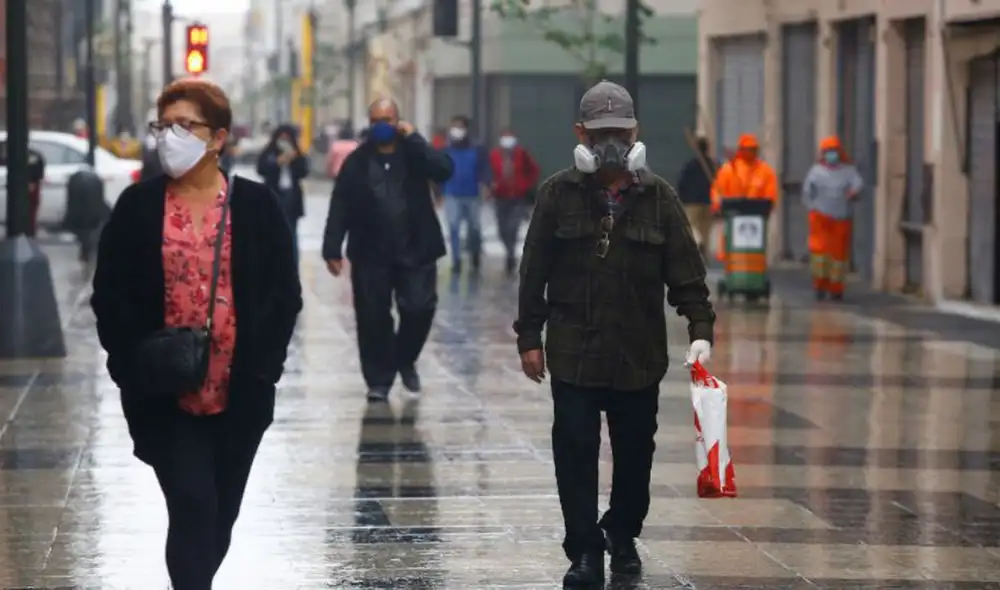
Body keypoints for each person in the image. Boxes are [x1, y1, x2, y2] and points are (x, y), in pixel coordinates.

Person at [90, 78, 302, 590]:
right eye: (162, 126)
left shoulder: (255, 205)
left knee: (220, 514)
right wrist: (127, 366)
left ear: (218, 138)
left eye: (185, 125)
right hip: (164, 391)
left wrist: (264, 366)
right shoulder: (138, 206)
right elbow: (109, 292)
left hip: (240, 388)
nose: (169, 136)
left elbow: (284, 292)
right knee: (191, 501)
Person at [514, 80, 715, 588]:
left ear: (635, 133)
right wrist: (529, 337)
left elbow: (686, 273)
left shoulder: (659, 198)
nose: (610, 143)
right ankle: (584, 551)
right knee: (575, 452)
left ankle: (621, 534)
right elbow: (532, 271)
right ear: (581, 133)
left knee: (635, 456)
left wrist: (700, 327)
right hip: (574, 352)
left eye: (619, 132)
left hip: (637, 354)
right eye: (600, 132)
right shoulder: (557, 194)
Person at [322, 99, 453, 402]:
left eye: (388, 118)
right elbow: (340, 203)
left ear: (399, 121)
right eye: (376, 119)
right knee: (372, 317)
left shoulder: (414, 153)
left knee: (419, 308)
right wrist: (332, 247)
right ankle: (379, 380)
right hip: (370, 254)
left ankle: (405, 358)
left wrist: (416, 138)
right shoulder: (356, 162)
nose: (382, 124)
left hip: (416, 249)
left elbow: (444, 170)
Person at [803, 135, 863, 301]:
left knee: (838, 256)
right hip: (820, 218)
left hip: (841, 218)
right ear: (823, 154)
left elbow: (858, 184)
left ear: (840, 152)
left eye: (834, 152)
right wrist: (811, 208)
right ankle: (820, 285)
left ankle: (836, 288)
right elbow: (807, 191)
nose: (832, 155)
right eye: (828, 152)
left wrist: (853, 192)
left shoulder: (848, 171)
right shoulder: (816, 172)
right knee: (820, 254)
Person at [710, 133, 778, 261]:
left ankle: (755, 267)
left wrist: (768, 207)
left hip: (756, 217)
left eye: (753, 149)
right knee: (732, 246)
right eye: (748, 149)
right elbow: (717, 190)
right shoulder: (729, 169)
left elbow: (771, 194)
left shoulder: (765, 171)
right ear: (741, 150)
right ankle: (732, 269)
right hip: (733, 215)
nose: (751, 152)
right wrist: (718, 206)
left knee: (754, 247)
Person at [441, 115, 490, 274]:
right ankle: (456, 260)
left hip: (472, 194)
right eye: (454, 127)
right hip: (452, 193)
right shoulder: (446, 150)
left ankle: (475, 255)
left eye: (459, 127)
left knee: (474, 228)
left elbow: (484, 170)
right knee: (453, 227)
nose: (456, 131)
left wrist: (487, 185)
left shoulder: (476, 149)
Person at [488, 129, 540, 274]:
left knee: (513, 226)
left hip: (517, 197)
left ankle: (510, 255)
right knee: (502, 229)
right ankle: (508, 248)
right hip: (500, 196)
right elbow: (489, 172)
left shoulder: (521, 154)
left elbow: (534, 170)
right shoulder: (494, 155)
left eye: (509, 137)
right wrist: (491, 185)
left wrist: (526, 185)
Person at [256, 124, 310, 261]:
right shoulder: (269, 153)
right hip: (273, 196)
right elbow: (261, 169)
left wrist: (294, 159)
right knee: (272, 234)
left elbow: (304, 171)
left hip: (291, 197)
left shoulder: (297, 153)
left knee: (291, 234)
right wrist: (277, 162)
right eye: (281, 138)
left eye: (287, 138)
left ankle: (292, 266)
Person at [676, 135, 717, 260]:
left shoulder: (690, 166)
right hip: (708, 201)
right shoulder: (713, 165)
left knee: (691, 225)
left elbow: (682, 183)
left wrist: (681, 198)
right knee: (706, 229)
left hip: (691, 202)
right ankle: (704, 254)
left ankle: (699, 244)